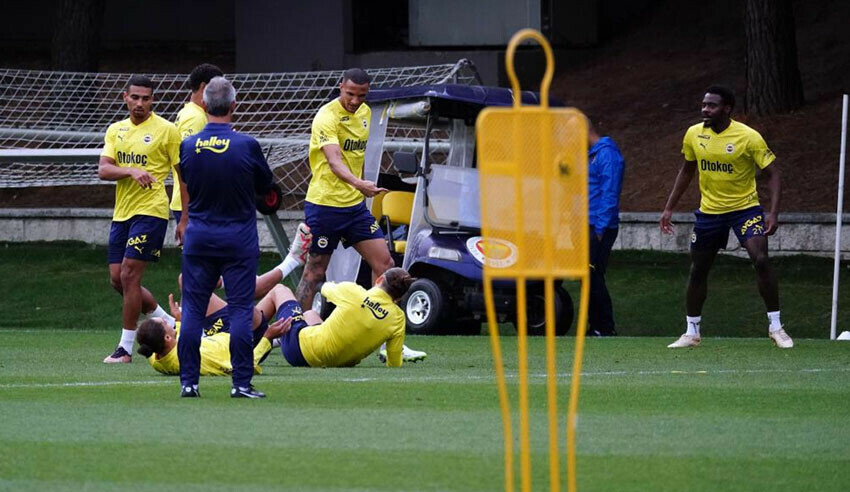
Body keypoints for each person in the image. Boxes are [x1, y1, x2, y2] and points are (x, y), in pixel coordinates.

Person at [659, 85, 793, 349]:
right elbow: (687, 171)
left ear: (727, 109)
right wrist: (668, 207)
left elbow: (773, 174)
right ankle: (692, 332)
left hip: (746, 209)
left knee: (761, 259)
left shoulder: (748, 137)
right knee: (698, 269)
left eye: (711, 105)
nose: (705, 110)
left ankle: (776, 327)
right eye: (704, 104)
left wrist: (773, 212)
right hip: (710, 213)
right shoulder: (694, 134)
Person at [176, 76, 276, 399]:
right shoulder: (247, 145)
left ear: (203, 105)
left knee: (192, 309)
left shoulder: (188, 146)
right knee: (240, 310)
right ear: (234, 105)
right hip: (238, 240)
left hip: (200, 238)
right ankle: (241, 384)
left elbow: (189, 181)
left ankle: (189, 383)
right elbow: (266, 187)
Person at [97, 75, 181, 364]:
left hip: (152, 211)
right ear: (125, 97)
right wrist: (131, 171)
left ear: (152, 100)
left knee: (130, 275)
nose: (140, 103)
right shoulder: (115, 130)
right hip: (122, 213)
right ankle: (168, 321)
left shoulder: (167, 130)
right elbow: (104, 170)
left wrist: (185, 217)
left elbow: (183, 176)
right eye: (135, 97)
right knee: (118, 280)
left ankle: (125, 348)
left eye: (146, 98)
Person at [295, 67, 394, 311]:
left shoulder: (366, 113)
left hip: (354, 209)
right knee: (315, 272)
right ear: (341, 86)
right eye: (350, 94)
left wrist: (359, 189)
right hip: (325, 206)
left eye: (362, 95)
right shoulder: (326, 116)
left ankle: (378, 334)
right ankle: (296, 333)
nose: (355, 101)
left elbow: (355, 157)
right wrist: (361, 184)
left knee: (385, 264)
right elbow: (335, 161)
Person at [136, 275, 296, 379]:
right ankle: (292, 260)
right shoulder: (201, 358)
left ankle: (224, 274)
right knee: (255, 294)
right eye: (167, 324)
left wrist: (180, 320)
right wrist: (267, 337)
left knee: (188, 280)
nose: (170, 324)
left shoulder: (154, 354)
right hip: (244, 340)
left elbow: (155, 343)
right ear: (167, 337)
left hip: (218, 334)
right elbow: (244, 366)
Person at [278, 267, 416, 368]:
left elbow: (324, 288)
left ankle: (260, 335)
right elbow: (394, 363)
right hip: (338, 363)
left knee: (279, 290)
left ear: (379, 279)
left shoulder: (353, 292)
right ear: (399, 297)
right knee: (310, 315)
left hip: (299, 352)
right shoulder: (398, 317)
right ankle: (278, 339)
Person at [170, 63, 224, 226]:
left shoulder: (192, 113)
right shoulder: (194, 117)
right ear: (203, 87)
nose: (221, 95)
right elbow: (189, 163)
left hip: (194, 201)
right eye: (218, 89)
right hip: (193, 203)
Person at [586, 121, 625, 337]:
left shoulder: (607, 155)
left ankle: (604, 327)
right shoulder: (591, 155)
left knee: (593, 274)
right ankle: (596, 326)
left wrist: (600, 229)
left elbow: (610, 192)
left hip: (598, 227)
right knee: (588, 276)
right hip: (587, 224)